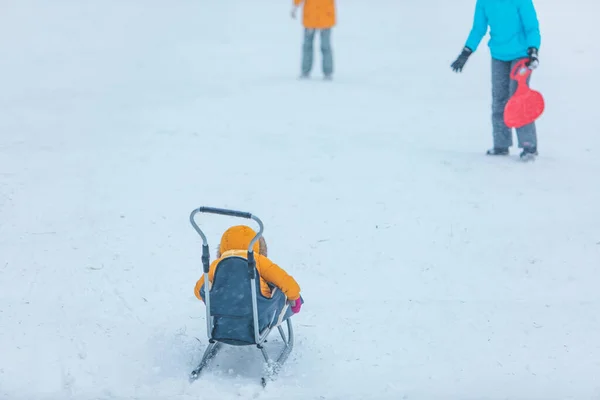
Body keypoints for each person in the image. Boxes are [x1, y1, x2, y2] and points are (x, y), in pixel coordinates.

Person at [450, 0, 541, 161]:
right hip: (499, 55)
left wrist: (533, 50)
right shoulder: (484, 2)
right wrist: (466, 52)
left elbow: (531, 27)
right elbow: (478, 29)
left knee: (519, 98)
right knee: (499, 98)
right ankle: (501, 144)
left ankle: (529, 145)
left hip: (521, 56)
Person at [194, 225, 302, 314]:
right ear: (255, 244)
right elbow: (282, 279)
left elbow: (199, 289)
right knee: (277, 289)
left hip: (226, 310)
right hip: (258, 309)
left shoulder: (217, 265)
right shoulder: (258, 260)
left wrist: (210, 297)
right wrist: (295, 296)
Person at [291, 0, 336, 80]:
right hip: (310, 17)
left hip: (325, 17)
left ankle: (328, 72)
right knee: (307, 46)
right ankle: (305, 71)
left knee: (325, 46)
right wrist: (295, 6)